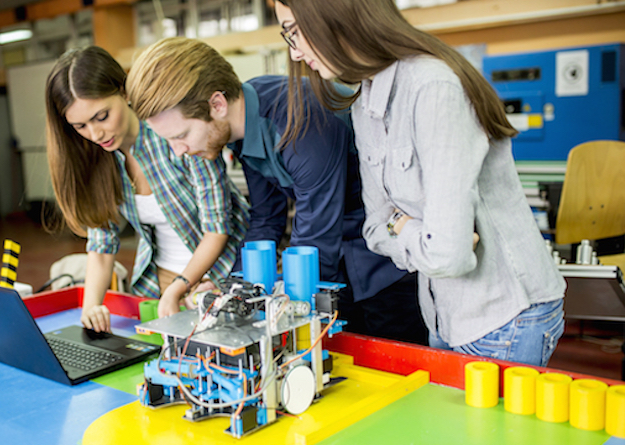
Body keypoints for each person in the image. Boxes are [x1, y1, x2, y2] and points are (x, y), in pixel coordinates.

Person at [273, 0, 566, 366]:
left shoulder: (432, 86)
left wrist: (404, 226)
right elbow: (375, 230)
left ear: (336, 16)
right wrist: (414, 231)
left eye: (295, 32)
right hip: (442, 312)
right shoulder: (365, 104)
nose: (295, 51)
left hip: (503, 317)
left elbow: (450, 254)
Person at [127, 37, 429, 345]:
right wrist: (230, 289)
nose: (178, 152)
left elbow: (315, 236)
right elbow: (266, 218)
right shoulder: (239, 126)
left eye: (181, 135)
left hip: (387, 264)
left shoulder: (300, 120)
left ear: (216, 105)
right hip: (336, 265)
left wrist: (265, 301)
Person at [45, 46, 249, 332]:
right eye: (80, 126)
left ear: (124, 91)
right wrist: (91, 306)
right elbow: (102, 244)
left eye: (102, 116)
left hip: (222, 273)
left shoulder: (174, 132)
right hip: (161, 282)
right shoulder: (99, 159)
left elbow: (217, 227)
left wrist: (181, 286)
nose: (95, 134)